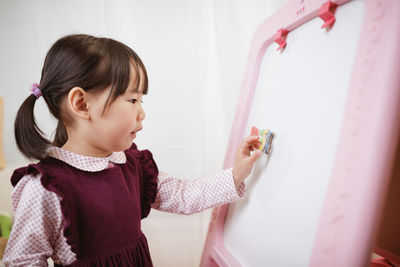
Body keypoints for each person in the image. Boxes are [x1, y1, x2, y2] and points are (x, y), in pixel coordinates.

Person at [3, 34, 261, 266]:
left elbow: (183, 195)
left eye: (141, 100)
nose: (142, 111)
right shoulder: (46, 188)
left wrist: (236, 174)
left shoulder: (131, 165)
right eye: (133, 100)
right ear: (81, 104)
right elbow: (22, 261)